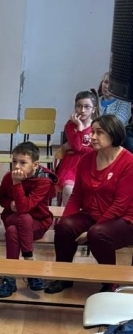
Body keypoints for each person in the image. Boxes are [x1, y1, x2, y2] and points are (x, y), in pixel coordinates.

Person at [45, 115, 133, 294]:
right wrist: (66, 220)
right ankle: (63, 277)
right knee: (64, 227)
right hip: (93, 215)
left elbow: (120, 205)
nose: (92, 137)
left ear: (113, 134)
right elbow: (76, 196)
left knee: (97, 233)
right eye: (92, 132)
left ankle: (110, 282)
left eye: (99, 133)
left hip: (124, 219)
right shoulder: (86, 160)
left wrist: (90, 230)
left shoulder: (129, 162)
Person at [0, 142, 57, 298]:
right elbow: (1, 198)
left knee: (13, 230)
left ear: (35, 165)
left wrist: (17, 183)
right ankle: (30, 266)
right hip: (12, 217)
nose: (17, 166)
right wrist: (10, 204)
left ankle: (9, 278)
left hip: (38, 222)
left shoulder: (44, 180)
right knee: (21, 219)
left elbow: (24, 208)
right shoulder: (9, 176)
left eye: (23, 162)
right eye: (14, 161)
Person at [56, 90, 98, 206]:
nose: (82, 110)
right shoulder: (70, 126)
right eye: (79, 106)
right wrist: (79, 126)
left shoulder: (97, 126)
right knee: (68, 189)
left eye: (87, 107)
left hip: (91, 163)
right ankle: (68, 215)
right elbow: (77, 146)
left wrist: (79, 149)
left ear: (93, 109)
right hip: (72, 165)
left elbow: (96, 150)